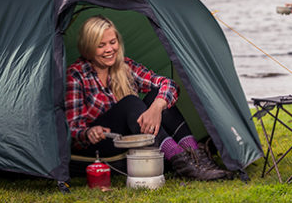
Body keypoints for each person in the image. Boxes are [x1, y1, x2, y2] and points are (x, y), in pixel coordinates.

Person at [65, 15, 229, 181]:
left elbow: (168, 84)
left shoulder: (125, 66)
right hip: (101, 145)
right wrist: (88, 132)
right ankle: (182, 160)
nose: (109, 49)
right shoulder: (76, 75)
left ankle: (196, 159)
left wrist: (157, 106)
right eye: (101, 45)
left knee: (157, 96)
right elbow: (72, 131)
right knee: (130, 103)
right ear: (88, 48)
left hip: (131, 140)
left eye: (112, 42)